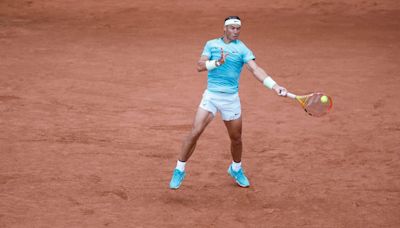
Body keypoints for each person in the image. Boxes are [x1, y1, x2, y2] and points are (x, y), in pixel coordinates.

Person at [169, 16, 287, 189]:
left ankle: (236, 168)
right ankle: (179, 169)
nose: (235, 32)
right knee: (195, 132)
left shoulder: (242, 49)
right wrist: (217, 62)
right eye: (232, 28)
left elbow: (255, 69)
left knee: (236, 139)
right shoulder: (211, 44)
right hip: (211, 97)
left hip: (230, 99)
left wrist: (274, 86)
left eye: (238, 29)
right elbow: (199, 65)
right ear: (224, 29)